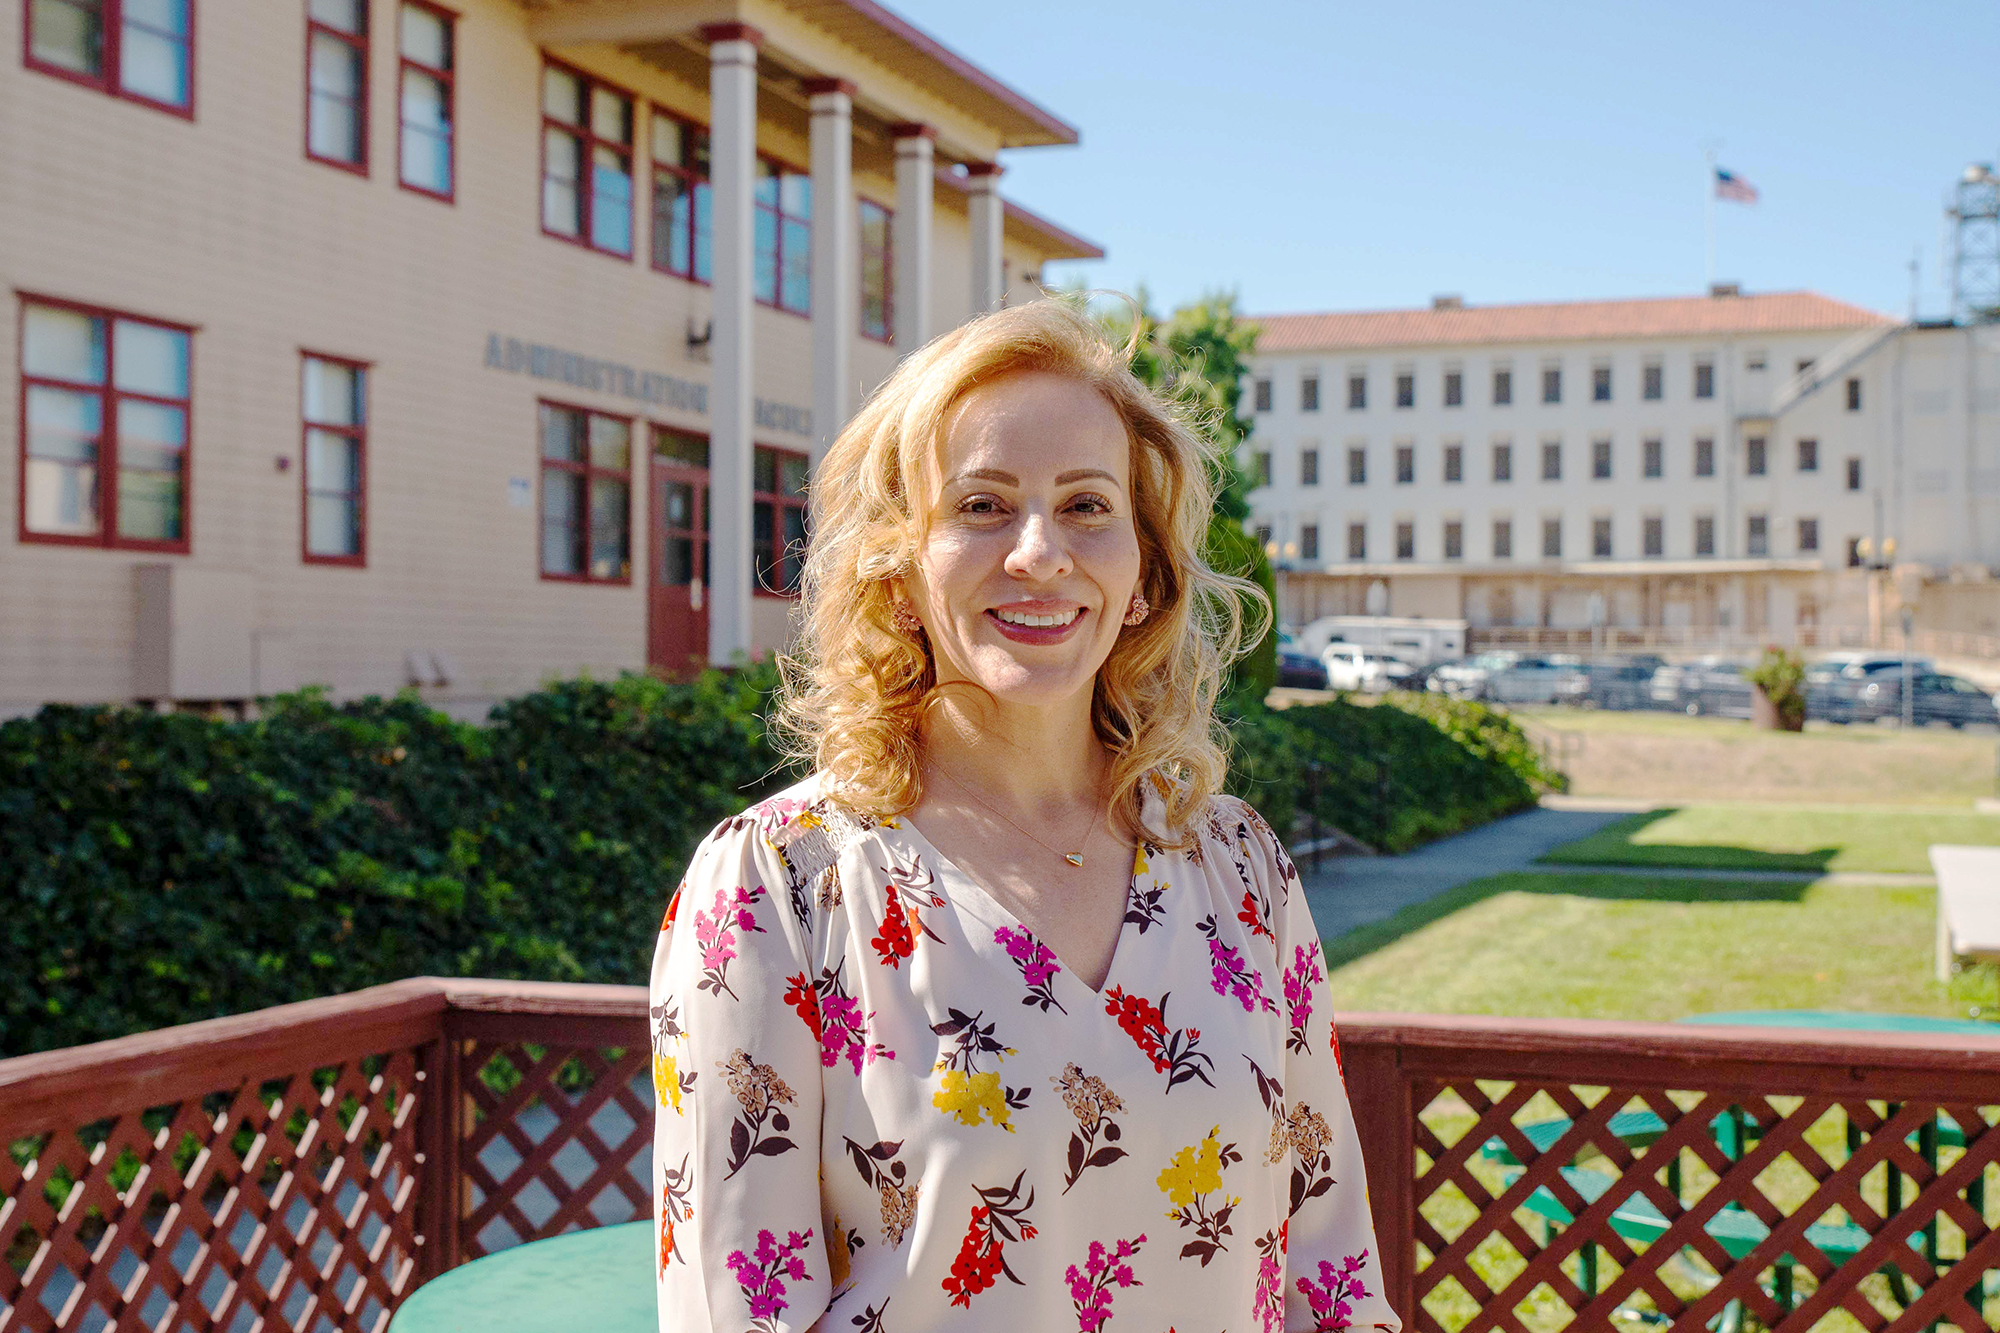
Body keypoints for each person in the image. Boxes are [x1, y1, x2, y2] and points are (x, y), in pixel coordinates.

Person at [649, 299, 1398, 1333]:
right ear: (898, 568)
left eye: (1087, 506)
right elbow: (740, 1313)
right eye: (981, 506)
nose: (1040, 552)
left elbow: (1332, 1275)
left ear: (1142, 577)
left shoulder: (1239, 867)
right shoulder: (781, 887)